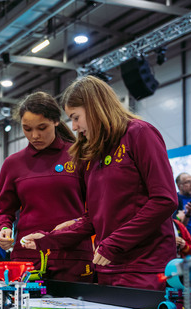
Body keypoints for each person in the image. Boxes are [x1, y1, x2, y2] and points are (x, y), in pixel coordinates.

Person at [21, 75, 177, 290]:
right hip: (107, 270)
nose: (74, 127)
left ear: (94, 108)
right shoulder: (92, 153)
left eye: (76, 117)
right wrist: (47, 239)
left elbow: (164, 200)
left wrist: (114, 244)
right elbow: (93, 219)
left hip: (145, 268)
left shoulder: (139, 133)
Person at [0, 92, 93, 282]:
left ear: (56, 121)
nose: (35, 136)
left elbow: (97, 209)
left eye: (42, 127)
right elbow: (3, 211)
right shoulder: (12, 164)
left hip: (72, 258)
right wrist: (3, 228)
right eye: (27, 129)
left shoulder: (80, 155)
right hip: (26, 260)